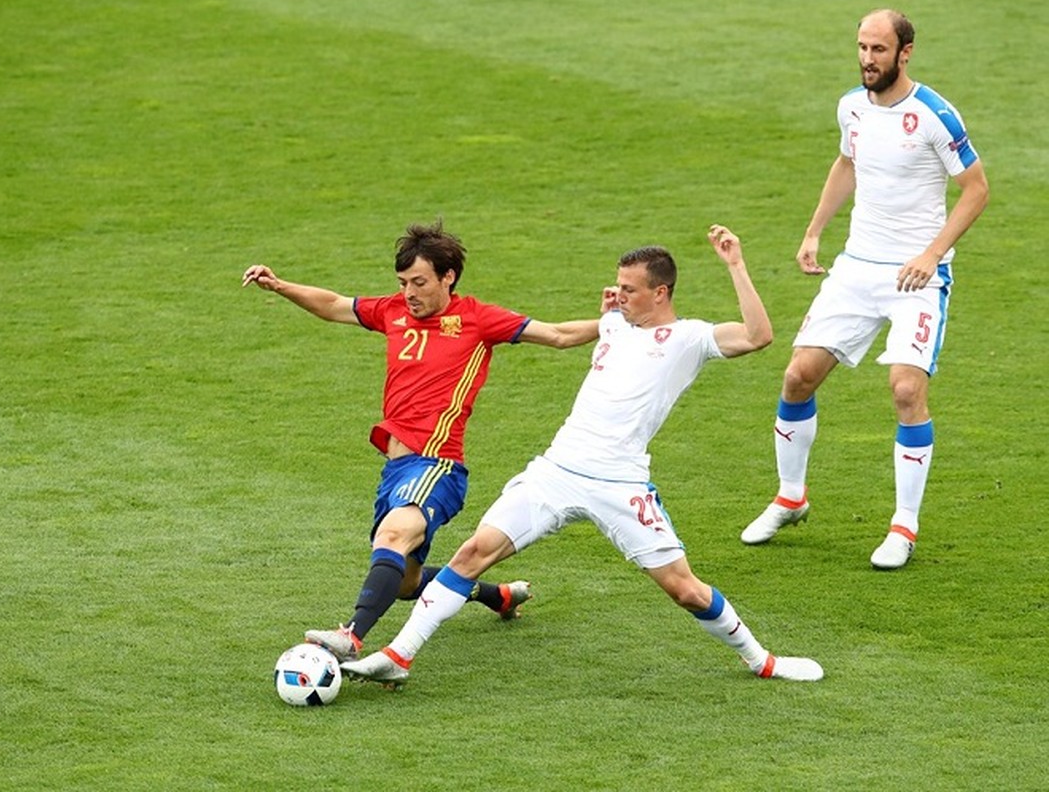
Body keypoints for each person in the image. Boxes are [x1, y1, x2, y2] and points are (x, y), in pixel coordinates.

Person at [341, 225, 824, 686]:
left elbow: (759, 336)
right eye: (617, 287)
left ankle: (762, 661)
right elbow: (583, 328)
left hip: (620, 484)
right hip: (555, 471)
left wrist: (736, 265)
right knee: (472, 554)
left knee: (684, 589)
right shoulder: (614, 324)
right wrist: (611, 311)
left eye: (630, 289)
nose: (618, 296)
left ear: (661, 293)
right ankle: (397, 655)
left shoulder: (689, 339)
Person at [242, 221, 600, 661]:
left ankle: (351, 636)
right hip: (396, 470)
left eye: (419, 282)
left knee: (391, 537)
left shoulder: (476, 319)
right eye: (403, 282)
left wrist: (616, 324)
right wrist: (279, 286)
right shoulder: (393, 311)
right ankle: (496, 595)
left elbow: (558, 335)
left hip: (437, 465)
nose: (409, 292)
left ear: (447, 277)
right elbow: (335, 305)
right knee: (406, 583)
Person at [741, 9, 989, 569]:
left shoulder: (934, 115)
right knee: (798, 376)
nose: (867, 59)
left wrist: (931, 254)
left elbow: (976, 189)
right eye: (861, 47)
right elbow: (847, 162)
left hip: (916, 278)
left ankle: (903, 526)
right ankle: (790, 496)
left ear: (905, 53)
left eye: (879, 49)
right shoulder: (851, 105)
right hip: (855, 269)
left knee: (906, 391)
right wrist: (813, 231)